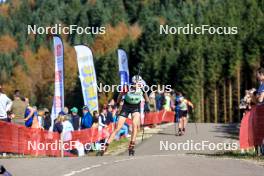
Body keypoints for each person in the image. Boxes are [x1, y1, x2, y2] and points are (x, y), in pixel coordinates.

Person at [102, 75, 149, 156]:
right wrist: (117, 104)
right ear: (133, 83)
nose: (137, 85)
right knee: (118, 127)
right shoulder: (127, 87)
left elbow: (147, 99)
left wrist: (146, 102)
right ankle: (106, 146)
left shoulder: (142, 88)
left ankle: (132, 145)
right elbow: (120, 96)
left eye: (138, 83)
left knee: (134, 125)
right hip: (126, 107)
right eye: (135, 83)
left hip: (135, 107)